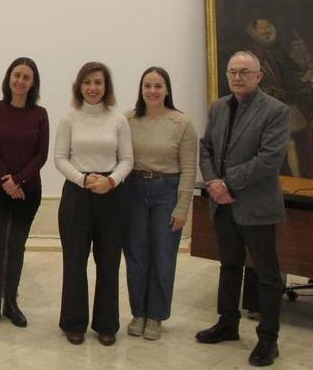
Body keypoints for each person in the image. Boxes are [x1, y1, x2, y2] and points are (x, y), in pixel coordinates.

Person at [197, 50, 290, 367]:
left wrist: (227, 183)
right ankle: (227, 324)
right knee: (229, 266)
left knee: (267, 274)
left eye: (244, 72)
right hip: (222, 205)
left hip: (256, 206)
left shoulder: (275, 111)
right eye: (232, 72)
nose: (237, 77)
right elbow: (206, 147)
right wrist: (212, 182)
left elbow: (268, 159)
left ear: (258, 76)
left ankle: (268, 339)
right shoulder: (219, 107)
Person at [54, 61, 133, 346]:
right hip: (77, 194)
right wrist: (83, 180)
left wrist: (111, 181)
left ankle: (106, 324)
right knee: (74, 261)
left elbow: (127, 159)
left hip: (111, 195)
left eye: (98, 82)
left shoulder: (118, 120)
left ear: (106, 87)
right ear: (79, 86)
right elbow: (60, 158)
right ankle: (74, 323)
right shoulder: (69, 118)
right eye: (87, 82)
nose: (93, 88)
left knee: (109, 262)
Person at [122, 67, 197, 340]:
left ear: (167, 90)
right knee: (136, 255)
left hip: (167, 191)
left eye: (158, 86)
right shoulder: (127, 119)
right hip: (133, 190)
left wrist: (182, 207)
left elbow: (189, 169)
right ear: (141, 89)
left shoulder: (182, 123)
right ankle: (138, 313)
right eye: (147, 86)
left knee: (163, 257)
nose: (152, 91)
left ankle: (156, 315)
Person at [0, 57, 49, 330]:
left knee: (16, 247)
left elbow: (41, 154)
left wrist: (19, 181)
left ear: (33, 83)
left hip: (28, 191)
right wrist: (8, 181)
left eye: (26, 77)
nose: (20, 81)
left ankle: (11, 302)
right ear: (9, 78)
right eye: (16, 75)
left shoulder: (39, 114)